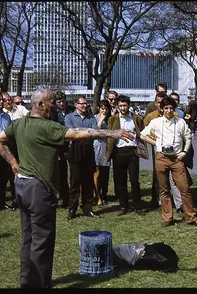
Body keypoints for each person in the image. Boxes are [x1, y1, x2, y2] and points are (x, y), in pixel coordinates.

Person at [0, 88, 134, 288]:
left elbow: (0, 139)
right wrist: (113, 132)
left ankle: (26, 282)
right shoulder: (48, 127)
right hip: (38, 190)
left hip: (22, 188)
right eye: (53, 102)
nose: (56, 105)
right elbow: (79, 132)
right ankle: (38, 285)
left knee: (28, 239)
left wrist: (12, 162)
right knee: (41, 242)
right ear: (42, 105)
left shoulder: (18, 124)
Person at [140, 96, 197, 228]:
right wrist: (156, 143)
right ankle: (167, 217)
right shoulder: (156, 122)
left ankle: (191, 217)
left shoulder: (180, 122)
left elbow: (188, 138)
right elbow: (143, 135)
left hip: (177, 158)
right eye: (166, 108)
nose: (169, 111)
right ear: (162, 109)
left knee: (185, 188)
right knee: (164, 189)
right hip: (161, 158)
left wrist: (184, 152)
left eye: (171, 108)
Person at [106, 95, 148, 216]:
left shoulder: (136, 118)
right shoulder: (113, 119)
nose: (123, 108)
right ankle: (123, 205)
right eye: (121, 106)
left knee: (134, 180)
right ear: (118, 106)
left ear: (129, 106)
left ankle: (137, 206)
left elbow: (142, 133)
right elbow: (110, 135)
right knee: (120, 180)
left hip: (132, 152)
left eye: (125, 105)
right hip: (119, 152)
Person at [65, 95, 100, 220]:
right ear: (76, 105)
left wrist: (80, 132)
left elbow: (95, 132)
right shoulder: (69, 117)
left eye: (86, 103)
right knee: (74, 182)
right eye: (82, 104)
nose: (84, 106)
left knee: (88, 182)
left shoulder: (91, 117)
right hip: (75, 151)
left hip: (88, 151)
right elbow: (70, 133)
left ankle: (87, 208)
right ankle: (72, 209)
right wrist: (86, 132)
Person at [2, 92, 29, 210]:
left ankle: (11, 200)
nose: (7, 102)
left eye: (9, 100)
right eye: (4, 100)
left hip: (11, 148)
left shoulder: (6, 116)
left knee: (10, 176)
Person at [144, 90, 169, 208]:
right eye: (158, 103)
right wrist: (153, 139)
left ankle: (169, 198)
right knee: (157, 171)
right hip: (157, 146)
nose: (160, 105)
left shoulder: (172, 115)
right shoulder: (151, 116)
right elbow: (144, 129)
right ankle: (156, 198)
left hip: (170, 147)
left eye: (162, 103)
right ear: (156, 103)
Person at [54, 91, 74, 208]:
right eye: (59, 102)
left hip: (72, 144)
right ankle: (63, 198)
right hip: (60, 146)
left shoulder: (71, 110)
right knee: (61, 174)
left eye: (63, 101)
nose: (61, 104)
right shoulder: (53, 113)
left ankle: (71, 198)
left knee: (74, 173)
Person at [93, 99, 111, 206]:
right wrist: (101, 119)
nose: (104, 110)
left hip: (105, 146)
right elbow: (96, 131)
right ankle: (97, 196)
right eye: (102, 108)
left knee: (104, 173)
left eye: (106, 109)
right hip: (96, 146)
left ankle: (103, 195)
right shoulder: (94, 118)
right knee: (97, 173)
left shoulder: (109, 119)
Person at [0, 92, 14, 211]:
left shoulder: (6, 116)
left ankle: (2, 201)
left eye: (1, 100)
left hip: (4, 150)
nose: (1, 102)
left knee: (3, 178)